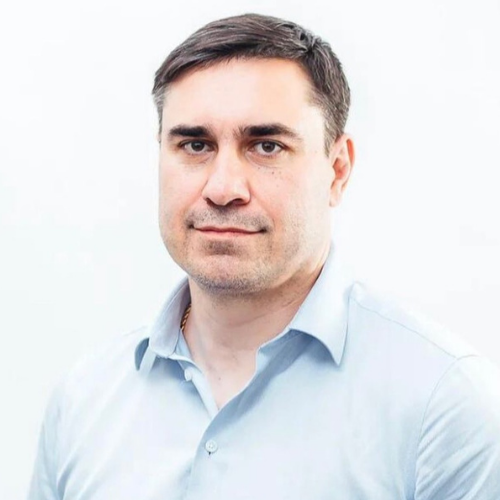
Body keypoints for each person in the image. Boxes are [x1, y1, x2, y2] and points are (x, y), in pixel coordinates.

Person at [28, 12, 500, 500]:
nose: (223, 188)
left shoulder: (444, 409)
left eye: (266, 146)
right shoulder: (83, 401)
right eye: (195, 144)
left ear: (337, 170)